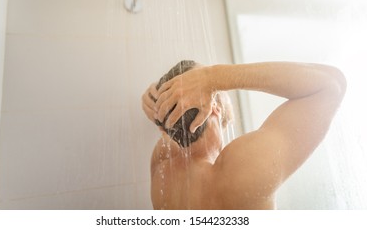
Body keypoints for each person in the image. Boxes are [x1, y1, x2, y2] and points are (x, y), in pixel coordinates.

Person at [141, 60, 346, 209]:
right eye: (214, 89)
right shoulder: (242, 169)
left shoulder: (163, 165)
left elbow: (170, 125)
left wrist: (158, 103)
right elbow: (332, 84)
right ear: (213, 107)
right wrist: (213, 77)